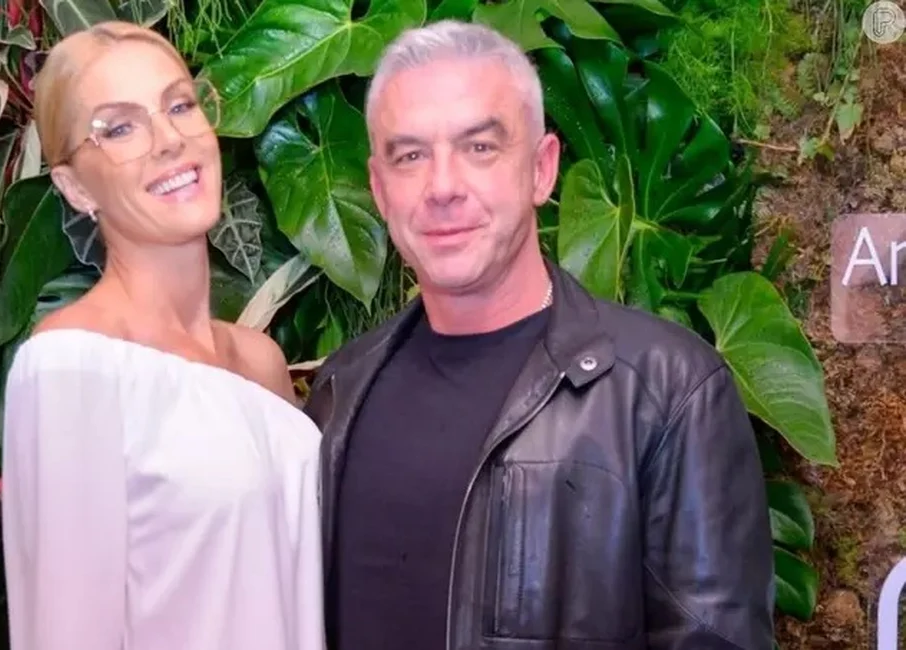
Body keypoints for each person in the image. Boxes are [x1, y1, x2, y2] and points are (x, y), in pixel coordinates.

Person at [302, 20, 775, 650]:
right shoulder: (341, 389)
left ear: (541, 170)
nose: (442, 188)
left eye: (479, 147)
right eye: (410, 156)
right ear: (380, 190)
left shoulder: (666, 392)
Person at [0, 22, 325, 650]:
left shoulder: (260, 361)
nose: (170, 139)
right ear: (74, 185)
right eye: (120, 128)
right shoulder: (73, 367)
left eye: (179, 106)